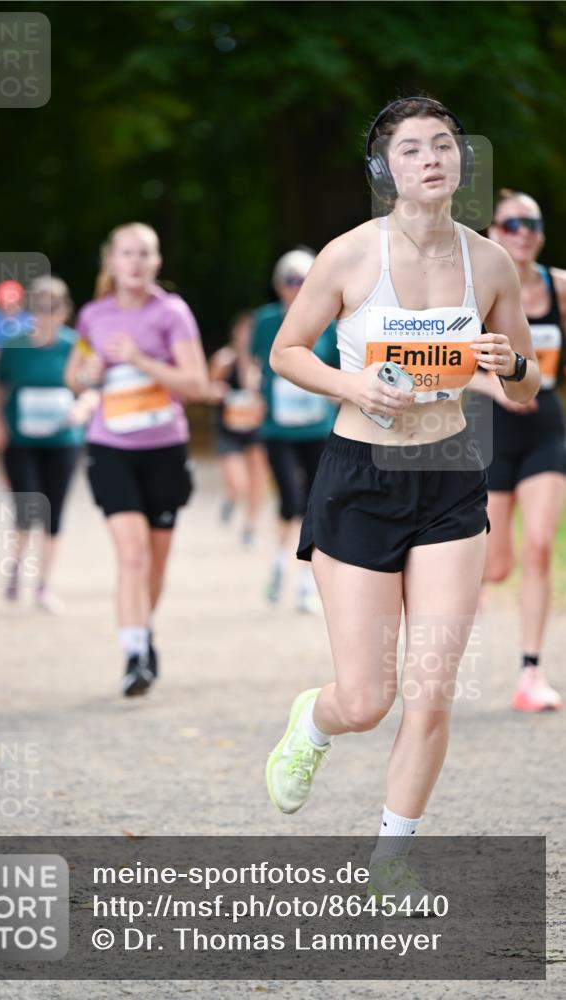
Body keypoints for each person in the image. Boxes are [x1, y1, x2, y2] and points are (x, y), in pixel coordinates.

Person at [264, 97, 540, 904]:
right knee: (368, 697)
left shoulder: (489, 262)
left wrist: (505, 361)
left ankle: (392, 855)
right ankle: (314, 722)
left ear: (460, 161)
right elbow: (286, 352)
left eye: (444, 146)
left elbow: (524, 386)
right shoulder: (348, 256)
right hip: (359, 476)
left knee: (430, 686)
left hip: (452, 475)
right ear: (385, 169)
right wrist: (351, 384)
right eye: (412, 148)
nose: (431, 159)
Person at [65, 222, 208, 696]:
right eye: (127, 253)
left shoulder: (172, 314)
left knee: (155, 560)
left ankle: (144, 632)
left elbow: (197, 384)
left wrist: (142, 360)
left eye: (145, 253)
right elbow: (75, 378)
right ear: (111, 261)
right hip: (111, 449)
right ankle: (133, 652)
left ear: (157, 262)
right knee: (131, 553)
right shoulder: (92, 316)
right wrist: (87, 372)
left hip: (164, 449)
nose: (135, 262)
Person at [468, 190, 565, 712]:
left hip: (545, 430)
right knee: (498, 564)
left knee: (541, 546)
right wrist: (495, 385)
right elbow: (449, 362)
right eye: (511, 224)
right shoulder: (479, 291)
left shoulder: (559, 288)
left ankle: (531, 672)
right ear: (493, 234)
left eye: (532, 222)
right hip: (493, 432)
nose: (523, 231)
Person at [0, 276, 83, 613]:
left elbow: (90, 387)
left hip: (62, 441)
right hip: (21, 440)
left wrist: (83, 408)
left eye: (54, 307)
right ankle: (15, 568)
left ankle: (44, 584)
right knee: (27, 507)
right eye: (41, 306)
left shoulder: (76, 346)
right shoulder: (14, 344)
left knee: (54, 512)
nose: (47, 313)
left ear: (66, 311)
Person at [251, 249, 339, 612]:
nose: (296, 288)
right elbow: (255, 363)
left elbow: (339, 365)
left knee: (314, 502)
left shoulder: (329, 321)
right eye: (290, 281)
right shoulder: (266, 321)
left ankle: (306, 582)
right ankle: (277, 565)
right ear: (279, 285)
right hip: (278, 428)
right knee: (290, 500)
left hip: (318, 427)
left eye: (303, 280)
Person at [208, 312, 267, 546]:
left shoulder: (262, 362)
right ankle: (231, 498)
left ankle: (250, 527)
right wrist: (219, 391)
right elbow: (208, 390)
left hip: (255, 428)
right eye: (246, 331)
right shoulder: (224, 359)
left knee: (258, 479)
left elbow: (256, 389)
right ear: (236, 333)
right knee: (239, 482)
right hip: (229, 429)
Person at [0, 280, 33, 365]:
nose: (6, 309)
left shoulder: (30, 322)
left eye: (12, 305)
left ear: (21, 303)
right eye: (3, 304)